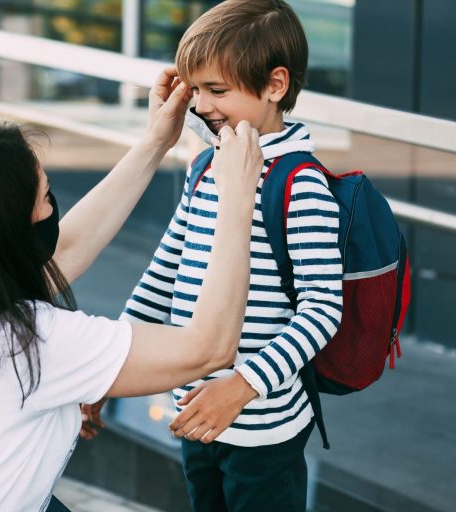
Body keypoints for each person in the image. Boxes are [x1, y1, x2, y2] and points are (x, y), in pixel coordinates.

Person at [0, 67, 264, 511]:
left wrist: (155, 143)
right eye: (47, 197)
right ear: (11, 233)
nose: (54, 209)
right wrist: (237, 198)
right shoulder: (30, 342)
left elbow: (64, 249)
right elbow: (208, 347)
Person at [120, 1, 344, 510]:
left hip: (263, 430)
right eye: (194, 89)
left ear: (276, 85)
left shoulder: (300, 185)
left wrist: (241, 386)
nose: (200, 106)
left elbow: (323, 308)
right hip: (195, 413)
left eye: (216, 90)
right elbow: (163, 275)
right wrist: (110, 367)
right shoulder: (205, 169)